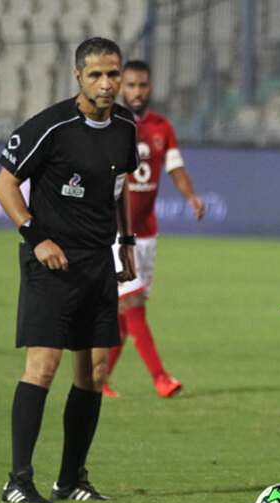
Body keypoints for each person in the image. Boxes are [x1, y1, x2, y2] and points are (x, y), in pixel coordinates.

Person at [0, 37, 139, 503]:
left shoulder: (125, 127)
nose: (106, 83)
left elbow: (120, 187)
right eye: (96, 75)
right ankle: (18, 480)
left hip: (98, 261)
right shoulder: (50, 127)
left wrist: (126, 243)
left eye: (112, 74)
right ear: (78, 77)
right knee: (43, 365)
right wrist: (37, 238)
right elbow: (6, 185)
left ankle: (70, 480)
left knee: (93, 371)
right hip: (51, 262)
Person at [102, 59, 206, 399]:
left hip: (146, 233)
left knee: (124, 313)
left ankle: (99, 380)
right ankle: (161, 379)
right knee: (133, 304)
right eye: (131, 85)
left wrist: (190, 196)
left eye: (142, 85)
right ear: (121, 87)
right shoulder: (109, 125)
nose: (137, 91)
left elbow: (176, 168)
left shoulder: (162, 127)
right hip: (117, 234)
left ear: (150, 87)